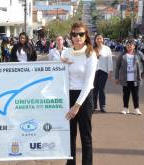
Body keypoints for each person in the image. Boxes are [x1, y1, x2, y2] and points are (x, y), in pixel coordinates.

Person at [61, 21, 97, 165]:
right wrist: (60, 61)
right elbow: (58, 71)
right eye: (75, 34)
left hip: (84, 98)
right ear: (71, 36)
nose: (78, 37)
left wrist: (77, 106)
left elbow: (88, 83)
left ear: (85, 35)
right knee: (70, 136)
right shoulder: (66, 52)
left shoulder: (90, 54)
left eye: (81, 34)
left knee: (85, 136)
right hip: (68, 96)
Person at [115, 39, 144, 115]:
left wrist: (143, 73)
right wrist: (117, 77)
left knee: (135, 94)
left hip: (136, 78)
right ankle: (125, 108)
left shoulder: (138, 53)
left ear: (134, 46)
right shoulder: (122, 54)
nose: (129, 46)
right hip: (125, 78)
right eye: (128, 45)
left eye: (131, 45)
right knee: (125, 94)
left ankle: (136, 109)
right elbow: (117, 66)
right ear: (126, 46)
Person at [93, 34, 113, 112]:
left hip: (103, 71)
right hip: (94, 71)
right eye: (97, 39)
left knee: (101, 89)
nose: (99, 40)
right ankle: (93, 106)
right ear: (95, 40)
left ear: (103, 40)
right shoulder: (92, 49)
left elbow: (110, 60)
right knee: (94, 89)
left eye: (100, 38)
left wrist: (110, 71)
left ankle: (102, 106)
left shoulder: (107, 49)